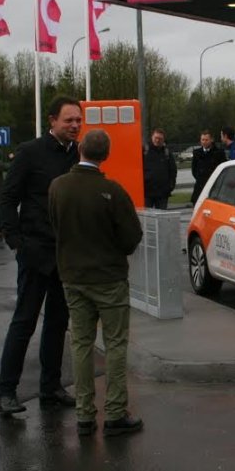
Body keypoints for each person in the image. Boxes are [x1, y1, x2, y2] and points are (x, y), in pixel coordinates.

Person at [49, 129, 145, 437]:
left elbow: (55, 226)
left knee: (81, 343)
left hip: (72, 276)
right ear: (106, 155)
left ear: (80, 150)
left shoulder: (58, 187)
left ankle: (84, 414)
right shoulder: (113, 192)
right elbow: (132, 237)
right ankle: (115, 412)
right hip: (109, 278)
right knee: (115, 343)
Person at [0, 95, 82, 415]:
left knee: (58, 324)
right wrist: (16, 241)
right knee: (24, 322)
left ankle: (51, 387)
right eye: (68, 120)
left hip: (66, 256)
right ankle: (7, 390)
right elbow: (8, 198)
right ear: (52, 121)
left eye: (78, 121)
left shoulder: (78, 154)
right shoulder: (29, 152)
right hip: (34, 253)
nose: (74, 126)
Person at [142, 128, 177, 209]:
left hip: (162, 193)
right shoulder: (144, 151)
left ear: (163, 139)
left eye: (160, 139)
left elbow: (173, 171)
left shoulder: (167, 153)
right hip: (147, 192)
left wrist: (171, 186)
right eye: (156, 138)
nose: (157, 140)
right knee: (147, 218)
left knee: (161, 218)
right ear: (152, 137)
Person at [190, 130, 226, 204]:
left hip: (214, 186)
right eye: (202, 140)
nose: (204, 142)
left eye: (206, 140)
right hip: (200, 186)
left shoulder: (219, 153)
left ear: (211, 140)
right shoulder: (197, 153)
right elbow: (194, 169)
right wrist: (200, 177)